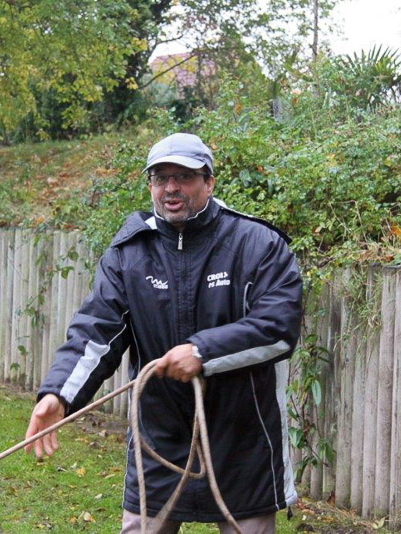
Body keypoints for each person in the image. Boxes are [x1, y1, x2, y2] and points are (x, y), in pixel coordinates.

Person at [24, 132, 303, 533]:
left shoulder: (258, 244)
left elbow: (278, 329)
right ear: (150, 185)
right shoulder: (128, 255)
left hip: (242, 440)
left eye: (184, 177)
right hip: (158, 438)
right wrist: (60, 394)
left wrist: (202, 352)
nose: (171, 188)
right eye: (160, 177)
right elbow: (96, 331)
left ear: (209, 182)